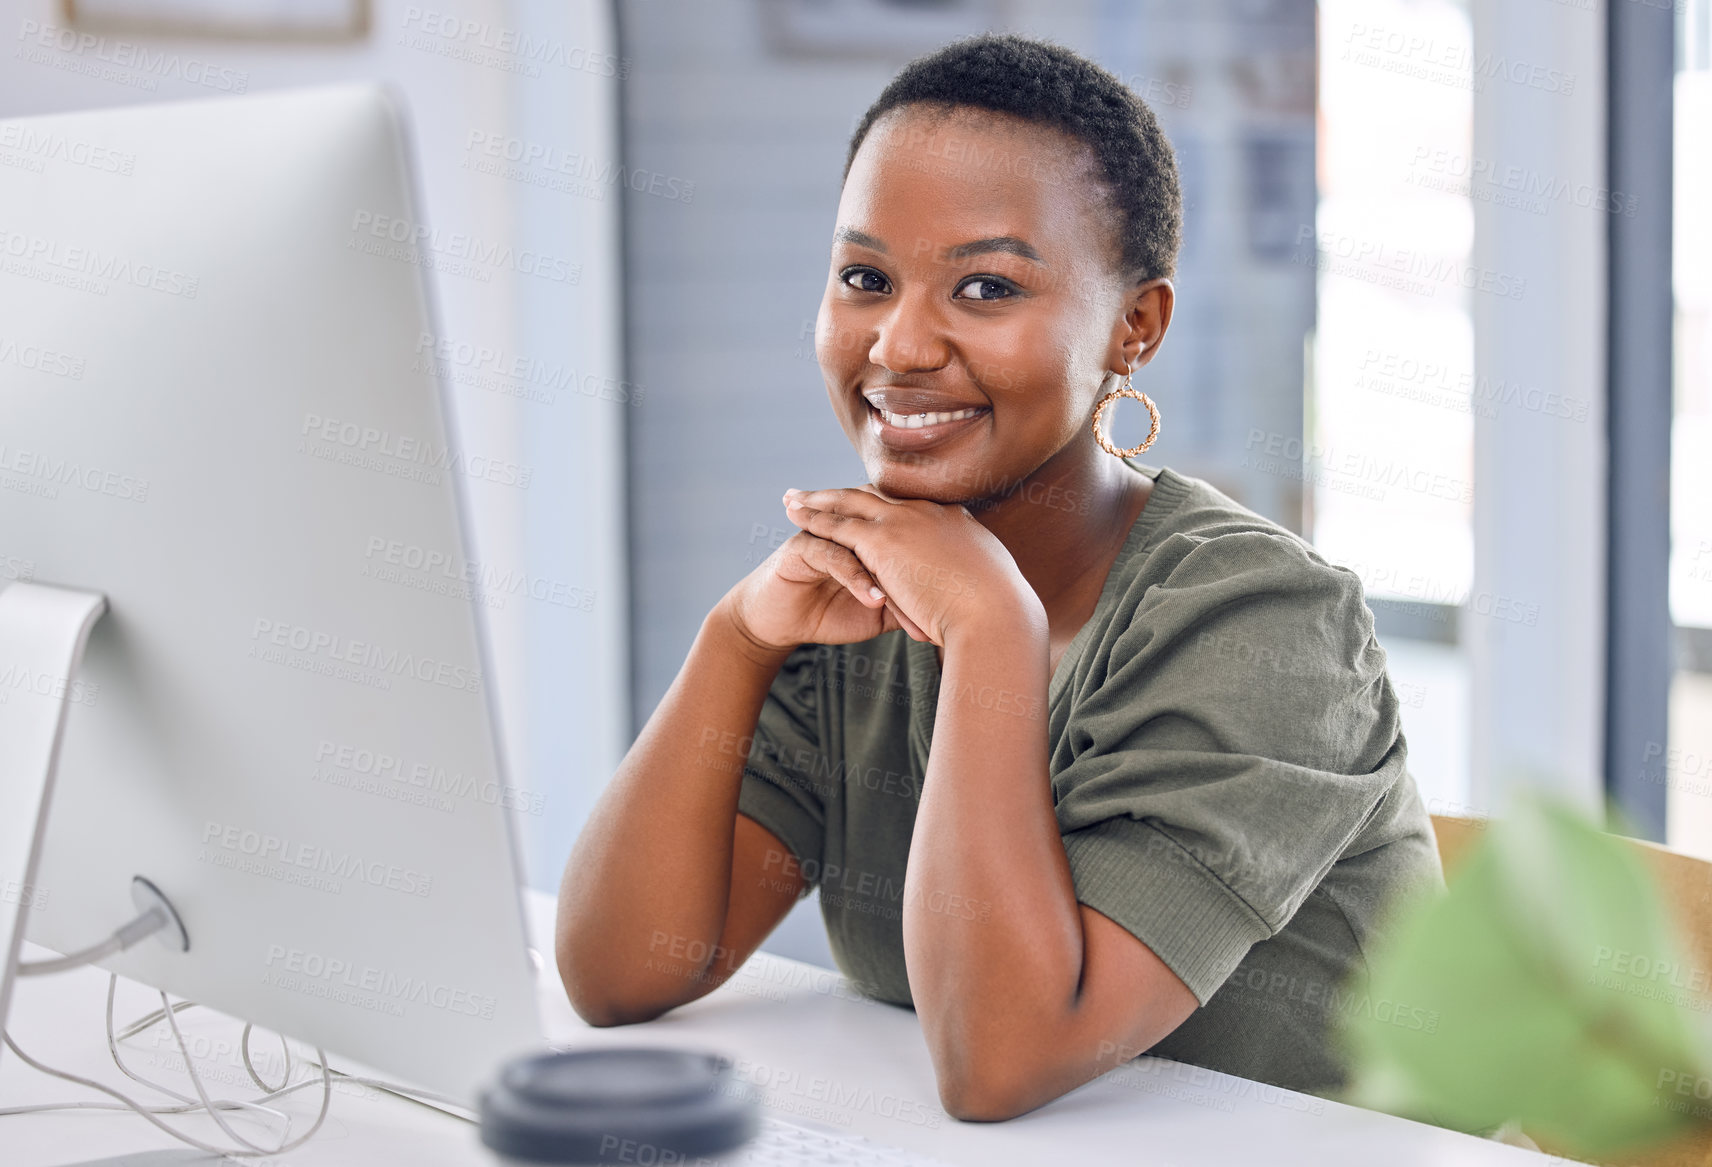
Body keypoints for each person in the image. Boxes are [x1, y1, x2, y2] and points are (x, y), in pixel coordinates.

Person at [555, 32, 1444, 1122]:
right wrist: (736, 638)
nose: (898, 344)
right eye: (863, 278)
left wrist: (988, 632)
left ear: (1133, 327)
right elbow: (621, 974)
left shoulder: (1264, 625)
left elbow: (999, 1064)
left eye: (983, 287)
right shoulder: (861, 601)